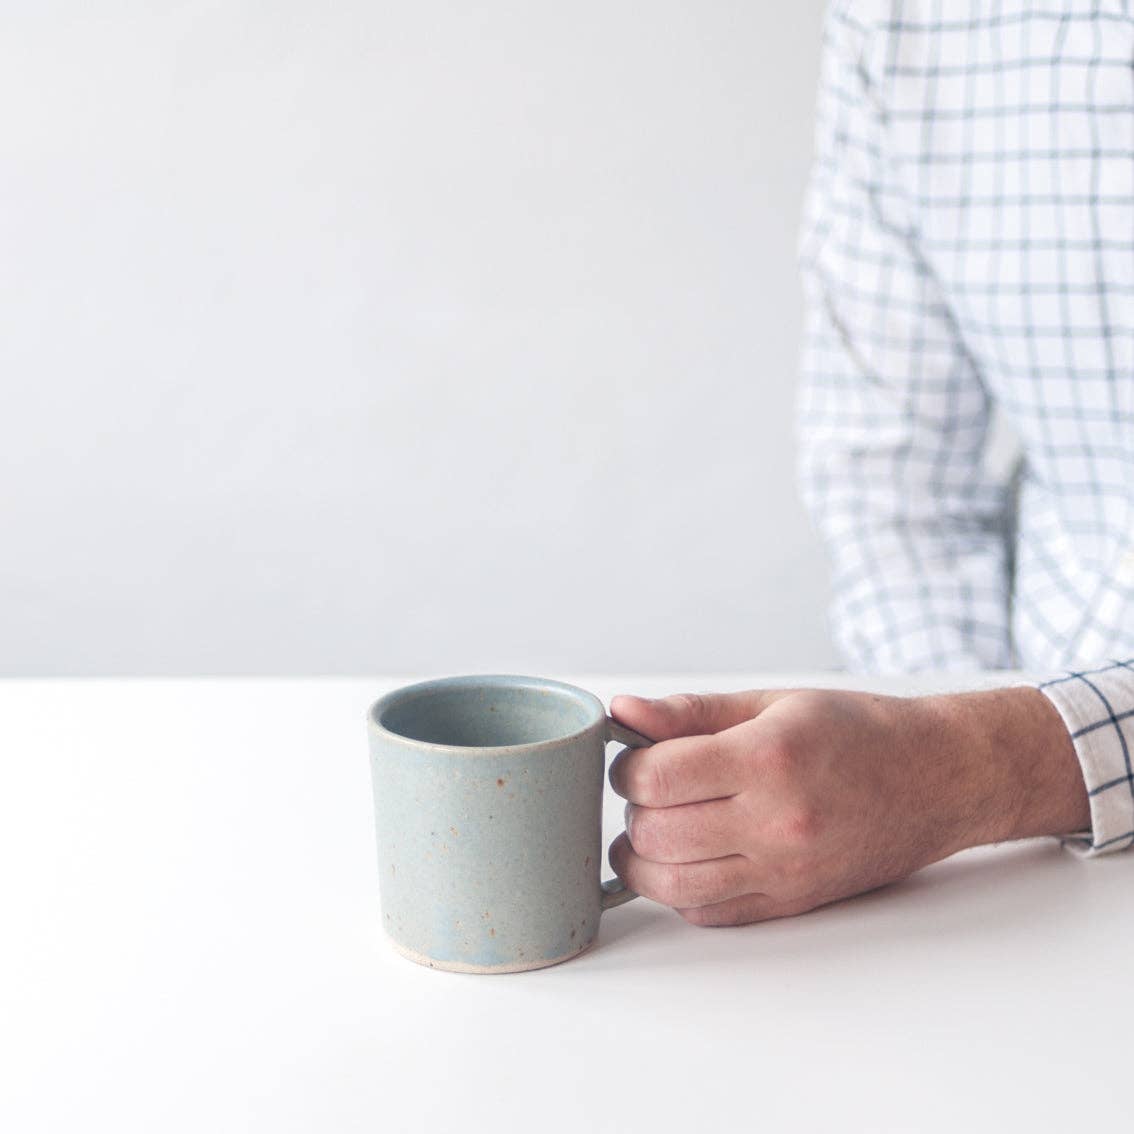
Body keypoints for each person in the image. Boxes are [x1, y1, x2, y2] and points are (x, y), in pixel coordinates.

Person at [606, 0, 1134, 926]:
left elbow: (971, 764)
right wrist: (929, 769)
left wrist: (981, 764)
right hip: (1033, 888)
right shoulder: (908, 23)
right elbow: (894, 491)